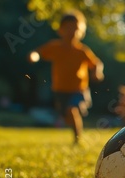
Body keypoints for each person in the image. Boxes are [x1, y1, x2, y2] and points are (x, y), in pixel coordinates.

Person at [29, 10, 104, 144]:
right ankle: (76, 135)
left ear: (81, 31)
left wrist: (97, 72)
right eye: (68, 27)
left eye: (75, 28)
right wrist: (34, 57)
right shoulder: (55, 46)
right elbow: (38, 52)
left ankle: (77, 140)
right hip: (60, 90)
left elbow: (97, 63)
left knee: (72, 110)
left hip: (78, 89)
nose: (72, 31)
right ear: (60, 30)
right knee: (67, 116)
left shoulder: (82, 51)